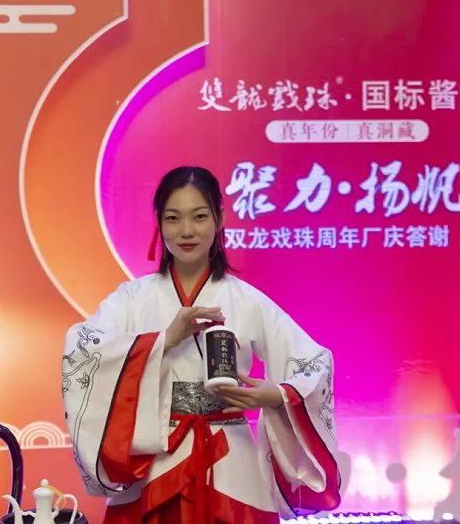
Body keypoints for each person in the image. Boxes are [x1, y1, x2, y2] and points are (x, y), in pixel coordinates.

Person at [61, 166, 340, 523]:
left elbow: (314, 362)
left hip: (232, 458)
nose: (186, 231)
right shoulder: (131, 298)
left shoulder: (247, 300)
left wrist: (276, 395)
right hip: (157, 456)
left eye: (199, 216)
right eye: (173, 218)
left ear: (220, 218)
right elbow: (83, 351)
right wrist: (164, 340)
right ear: (159, 222)